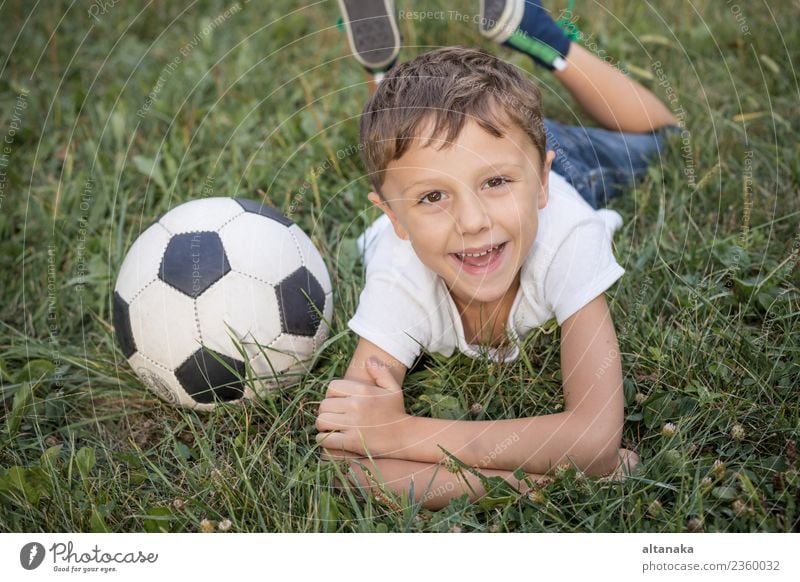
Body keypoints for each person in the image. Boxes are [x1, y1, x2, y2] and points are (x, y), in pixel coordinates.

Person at [319, 1, 678, 511]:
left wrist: (399, 434)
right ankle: (390, 80)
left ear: (540, 182)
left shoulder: (565, 238)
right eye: (433, 198)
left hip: (564, 167)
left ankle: (542, 38)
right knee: (408, 145)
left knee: (660, 140)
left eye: (494, 184)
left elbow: (595, 441)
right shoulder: (401, 275)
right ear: (394, 220)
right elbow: (347, 454)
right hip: (483, 160)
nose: (471, 221)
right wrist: (527, 485)